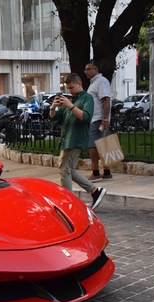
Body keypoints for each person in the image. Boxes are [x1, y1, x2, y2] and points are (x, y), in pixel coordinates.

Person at [49, 73, 107, 210]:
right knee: (68, 170)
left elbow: (86, 117)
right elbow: (55, 117)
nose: (70, 91)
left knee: (64, 170)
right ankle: (94, 191)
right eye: (67, 88)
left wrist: (70, 106)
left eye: (72, 87)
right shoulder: (71, 99)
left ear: (79, 83)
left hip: (76, 139)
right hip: (67, 139)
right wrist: (53, 107)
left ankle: (67, 202)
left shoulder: (87, 98)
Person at [84, 60, 112, 182]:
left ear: (96, 69)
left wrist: (105, 119)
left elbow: (106, 100)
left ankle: (96, 172)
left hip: (97, 119)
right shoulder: (94, 83)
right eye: (85, 69)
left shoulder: (101, 82)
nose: (86, 72)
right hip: (95, 118)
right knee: (101, 145)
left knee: (92, 146)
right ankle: (106, 171)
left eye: (89, 69)